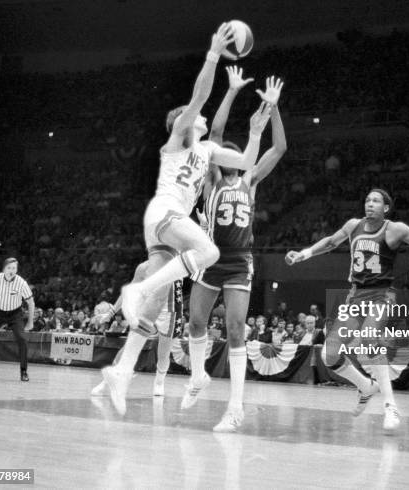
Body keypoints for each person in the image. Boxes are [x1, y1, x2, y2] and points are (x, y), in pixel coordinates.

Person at [102, 24, 271, 415]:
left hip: (169, 228)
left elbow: (246, 162)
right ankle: (136, 290)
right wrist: (213, 53)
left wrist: (255, 131)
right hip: (165, 212)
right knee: (208, 251)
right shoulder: (178, 137)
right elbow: (199, 97)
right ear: (184, 122)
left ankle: (121, 371)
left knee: (154, 307)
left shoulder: (209, 150)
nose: (202, 117)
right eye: (196, 116)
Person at [286, 189, 409, 431]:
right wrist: (304, 254)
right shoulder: (353, 225)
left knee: (370, 338)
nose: (370, 204)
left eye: (376, 201)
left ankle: (390, 406)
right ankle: (367, 386)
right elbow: (330, 242)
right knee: (329, 354)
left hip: (382, 295)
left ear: (386, 208)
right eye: (367, 200)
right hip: (356, 296)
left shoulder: (395, 229)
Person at [186, 69, 285, 431]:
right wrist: (229, 91)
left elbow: (280, 149)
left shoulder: (250, 179)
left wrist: (272, 108)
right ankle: (198, 376)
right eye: (223, 152)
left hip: (240, 262)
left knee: (235, 329)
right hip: (212, 258)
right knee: (196, 321)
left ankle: (236, 407)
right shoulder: (210, 180)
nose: (226, 153)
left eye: (232, 151)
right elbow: (214, 134)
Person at [91, 261, 181, 403]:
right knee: (129, 348)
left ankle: (159, 383)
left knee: (163, 353)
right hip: (148, 309)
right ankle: (106, 382)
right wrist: (110, 313)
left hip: (170, 311)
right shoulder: (144, 267)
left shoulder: (180, 262)